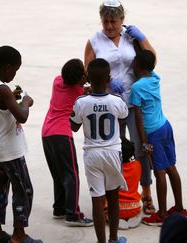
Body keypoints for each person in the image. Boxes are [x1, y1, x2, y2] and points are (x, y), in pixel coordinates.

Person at [84, 0, 157, 215]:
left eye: (113, 21)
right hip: (109, 105)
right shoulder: (94, 41)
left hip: (135, 104)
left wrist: (142, 38)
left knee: (139, 148)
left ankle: (145, 192)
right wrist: (107, 81)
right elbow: (88, 71)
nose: (109, 26)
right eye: (105, 22)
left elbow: (152, 60)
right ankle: (112, 195)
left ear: (122, 20)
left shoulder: (131, 37)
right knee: (112, 150)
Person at [0, 46, 42, 243]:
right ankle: (19, 235)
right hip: (9, 149)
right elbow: (22, 116)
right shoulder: (3, 88)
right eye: (15, 69)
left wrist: (10, 100)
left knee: (0, 188)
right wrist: (25, 101)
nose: (15, 74)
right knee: (23, 190)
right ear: (7, 67)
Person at [70, 58, 128, 243]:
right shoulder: (116, 100)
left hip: (92, 154)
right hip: (112, 152)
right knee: (113, 199)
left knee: (97, 200)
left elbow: (74, 126)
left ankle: (101, 242)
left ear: (87, 78)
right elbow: (122, 118)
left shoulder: (81, 102)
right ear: (109, 78)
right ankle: (113, 239)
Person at [129, 50, 187, 226]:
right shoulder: (156, 78)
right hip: (165, 126)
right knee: (171, 168)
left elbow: (138, 117)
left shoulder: (136, 88)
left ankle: (162, 215)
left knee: (160, 172)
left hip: (153, 132)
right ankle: (179, 208)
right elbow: (150, 65)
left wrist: (144, 142)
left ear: (137, 65)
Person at [41, 58, 93, 227]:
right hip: (62, 134)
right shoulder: (78, 93)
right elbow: (90, 90)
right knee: (72, 175)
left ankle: (60, 208)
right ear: (79, 79)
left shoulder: (57, 81)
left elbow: (78, 82)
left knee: (58, 174)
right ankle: (73, 214)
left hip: (46, 132)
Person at [116, 137, 142, 230]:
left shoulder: (114, 169)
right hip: (134, 206)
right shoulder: (137, 165)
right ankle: (134, 217)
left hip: (117, 209)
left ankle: (115, 220)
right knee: (138, 205)